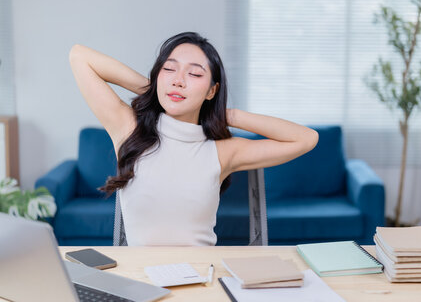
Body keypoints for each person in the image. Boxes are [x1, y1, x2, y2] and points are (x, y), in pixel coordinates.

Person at [69, 31, 318, 246]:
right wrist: (154, 91)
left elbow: (306, 139)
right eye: (169, 69)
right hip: (141, 281)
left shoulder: (223, 152)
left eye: (195, 75)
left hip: (200, 279)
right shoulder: (128, 128)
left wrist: (228, 114)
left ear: (212, 90)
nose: (178, 80)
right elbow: (79, 56)